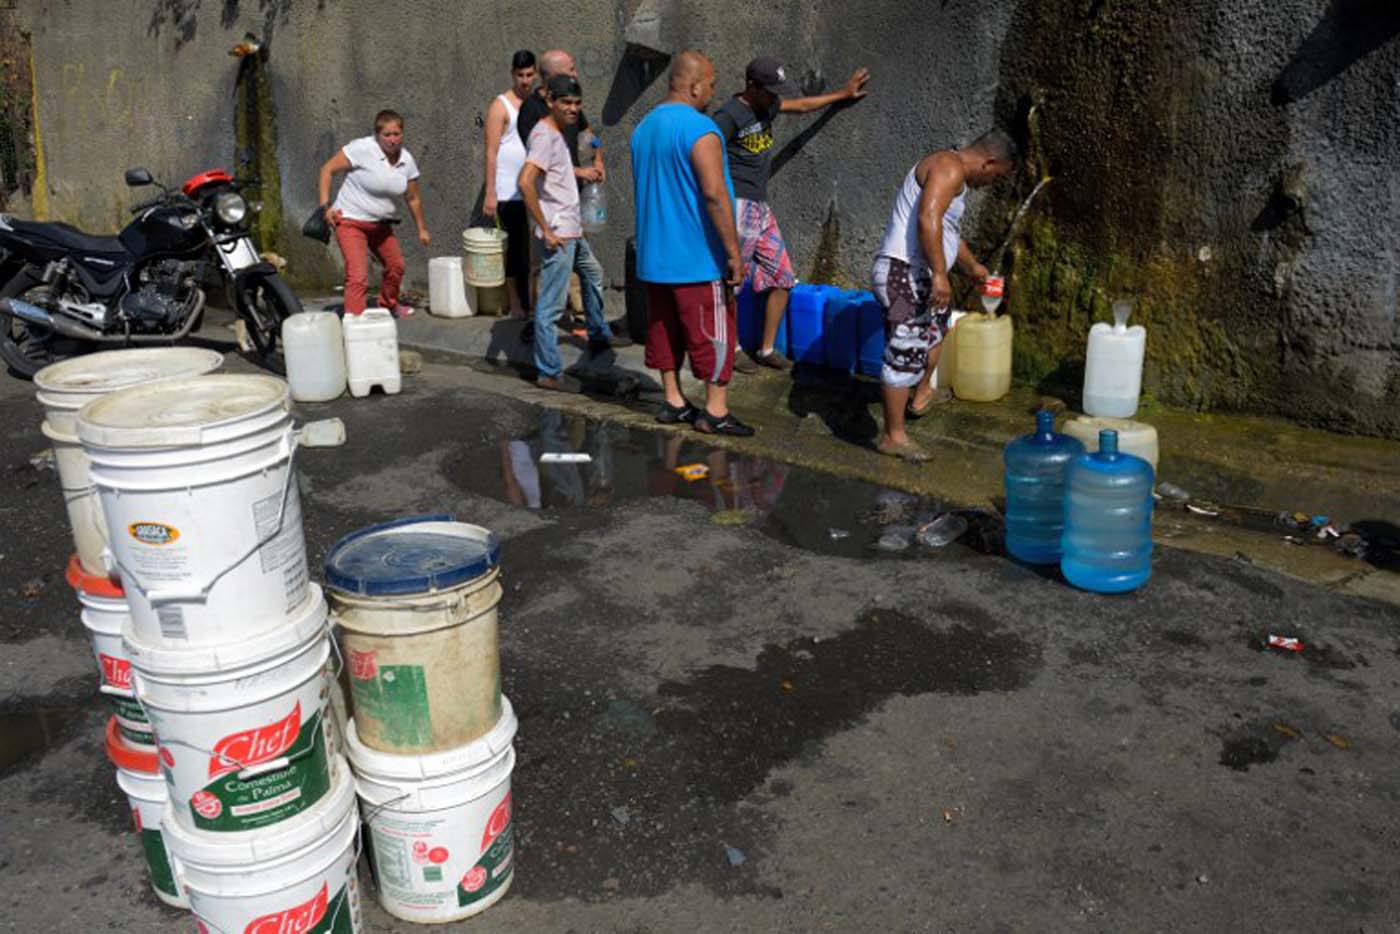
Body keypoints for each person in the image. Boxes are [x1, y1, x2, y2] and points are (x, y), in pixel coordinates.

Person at [872, 129, 1019, 461]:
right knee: (904, 350)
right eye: (996, 177)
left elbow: (947, 232)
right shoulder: (948, 165)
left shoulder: (955, 179)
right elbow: (929, 218)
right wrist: (940, 273)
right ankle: (892, 436)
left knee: (937, 330)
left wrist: (973, 268)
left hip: (919, 275)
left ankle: (922, 394)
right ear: (989, 162)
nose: (992, 183)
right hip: (902, 272)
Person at [714, 57, 870, 371]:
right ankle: (733, 348)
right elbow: (705, 156)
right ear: (751, 86)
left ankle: (767, 348)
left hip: (760, 206)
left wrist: (843, 94)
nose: (775, 97)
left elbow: (799, 106)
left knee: (783, 276)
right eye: (769, 90)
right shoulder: (728, 116)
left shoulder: (767, 106)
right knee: (731, 281)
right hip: (737, 204)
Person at [631, 51, 754, 437]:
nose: (714, 92)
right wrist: (734, 253)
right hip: (696, 259)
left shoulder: (643, 128)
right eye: (712, 84)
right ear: (694, 84)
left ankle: (674, 401)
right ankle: (715, 411)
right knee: (715, 333)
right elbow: (715, 194)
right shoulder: (701, 130)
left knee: (664, 329)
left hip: (655, 257)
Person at [518, 74, 616, 393]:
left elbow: (589, 141)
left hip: (571, 230)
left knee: (592, 272)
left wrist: (597, 154)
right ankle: (549, 371)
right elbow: (525, 181)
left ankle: (599, 333)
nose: (573, 109)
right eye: (566, 103)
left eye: (576, 103)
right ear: (551, 102)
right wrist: (545, 229)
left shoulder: (560, 132)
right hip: (558, 231)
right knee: (551, 306)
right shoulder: (544, 136)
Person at [517, 49, 607, 339]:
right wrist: (577, 173)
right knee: (547, 277)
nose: (576, 73)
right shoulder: (534, 115)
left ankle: (593, 328)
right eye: (570, 69)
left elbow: (589, 133)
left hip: (570, 209)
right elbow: (536, 170)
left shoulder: (571, 104)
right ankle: (544, 342)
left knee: (590, 272)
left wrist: (597, 157)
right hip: (550, 211)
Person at [317, 109, 431, 317]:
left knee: (396, 266)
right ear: (377, 135)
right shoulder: (361, 149)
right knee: (358, 276)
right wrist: (326, 206)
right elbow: (327, 169)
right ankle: (355, 324)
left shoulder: (406, 160)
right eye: (387, 134)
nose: (392, 139)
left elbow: (413, 198)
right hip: (350, 221)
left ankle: (388, 305)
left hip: (380, 225)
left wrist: (422, 229)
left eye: (396, 134)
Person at [482, 50, 537, 317]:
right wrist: (490, 193)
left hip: (534, 190)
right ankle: (515, 302)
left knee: (534, 250)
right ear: (512, 74)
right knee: (514, 250)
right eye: (520, 75)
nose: (525, 81)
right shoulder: (500, 105)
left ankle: (537, 302)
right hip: (507, 192)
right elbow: (491, 151)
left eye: (529, 75)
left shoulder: (539, 103)